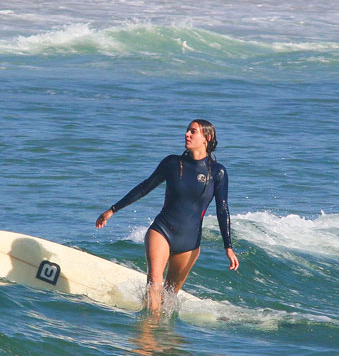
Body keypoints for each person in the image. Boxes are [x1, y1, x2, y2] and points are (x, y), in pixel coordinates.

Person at [96, 119, 239, 314]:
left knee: (169, 298)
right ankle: (149, 333)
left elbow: (223, 209)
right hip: (162, 231)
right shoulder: (173, 163)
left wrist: (228, 247)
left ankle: (162, 337)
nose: (187, 134)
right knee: (155, 281)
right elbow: (144, 187)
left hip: (189, 244)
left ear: (207, 138)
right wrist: (112, 210)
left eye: (193, 131)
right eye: (187, 130)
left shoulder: (217, 172)